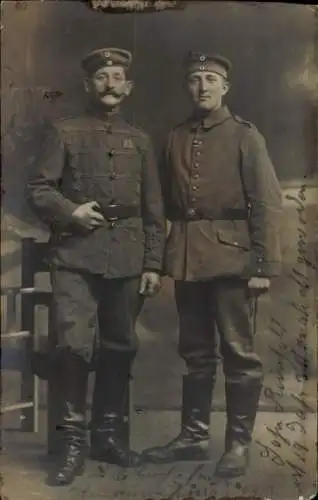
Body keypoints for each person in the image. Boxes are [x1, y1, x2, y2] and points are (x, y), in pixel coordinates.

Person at [26, 47, 165, 486]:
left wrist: (152, 263)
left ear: (128, 87)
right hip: (74, 258)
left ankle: (106, 436)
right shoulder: (63, 132)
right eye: (101, 75)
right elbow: (39, 190)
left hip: (126, 256)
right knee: (72, 347)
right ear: (88, 85)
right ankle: (72, 444)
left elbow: (153, 208)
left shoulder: (140, 140)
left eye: (117, 75)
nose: (109, 82)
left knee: (121, 346)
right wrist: (71, 213)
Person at [142, 51, 282, 478]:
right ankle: (193, 436)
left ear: (225, 87)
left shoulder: (245, 136)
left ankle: (237, 444)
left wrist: (262, 265)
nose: (202, 86)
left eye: (210, 79)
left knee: (239, 353)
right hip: (187, 257)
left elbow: (267, 203)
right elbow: (163, 201)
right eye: (194, 79)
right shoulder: (176, 136)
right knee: (196, 352)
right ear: (188, 87)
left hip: (233, 260)